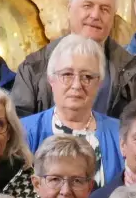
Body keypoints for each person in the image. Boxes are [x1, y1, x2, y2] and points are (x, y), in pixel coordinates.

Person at [11, 0, 136, 117]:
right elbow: (19, 127)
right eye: (87, 5)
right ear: (70, 9)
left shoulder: (132, 70)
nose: (95, 15)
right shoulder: (33, 67)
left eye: (105, 9)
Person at [22, 35, 125, 186]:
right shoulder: (23, 132)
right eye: (67, 74)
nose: (76, 85)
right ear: (51, 79)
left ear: (99, 84)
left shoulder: (121, 133)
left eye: (87, 77)